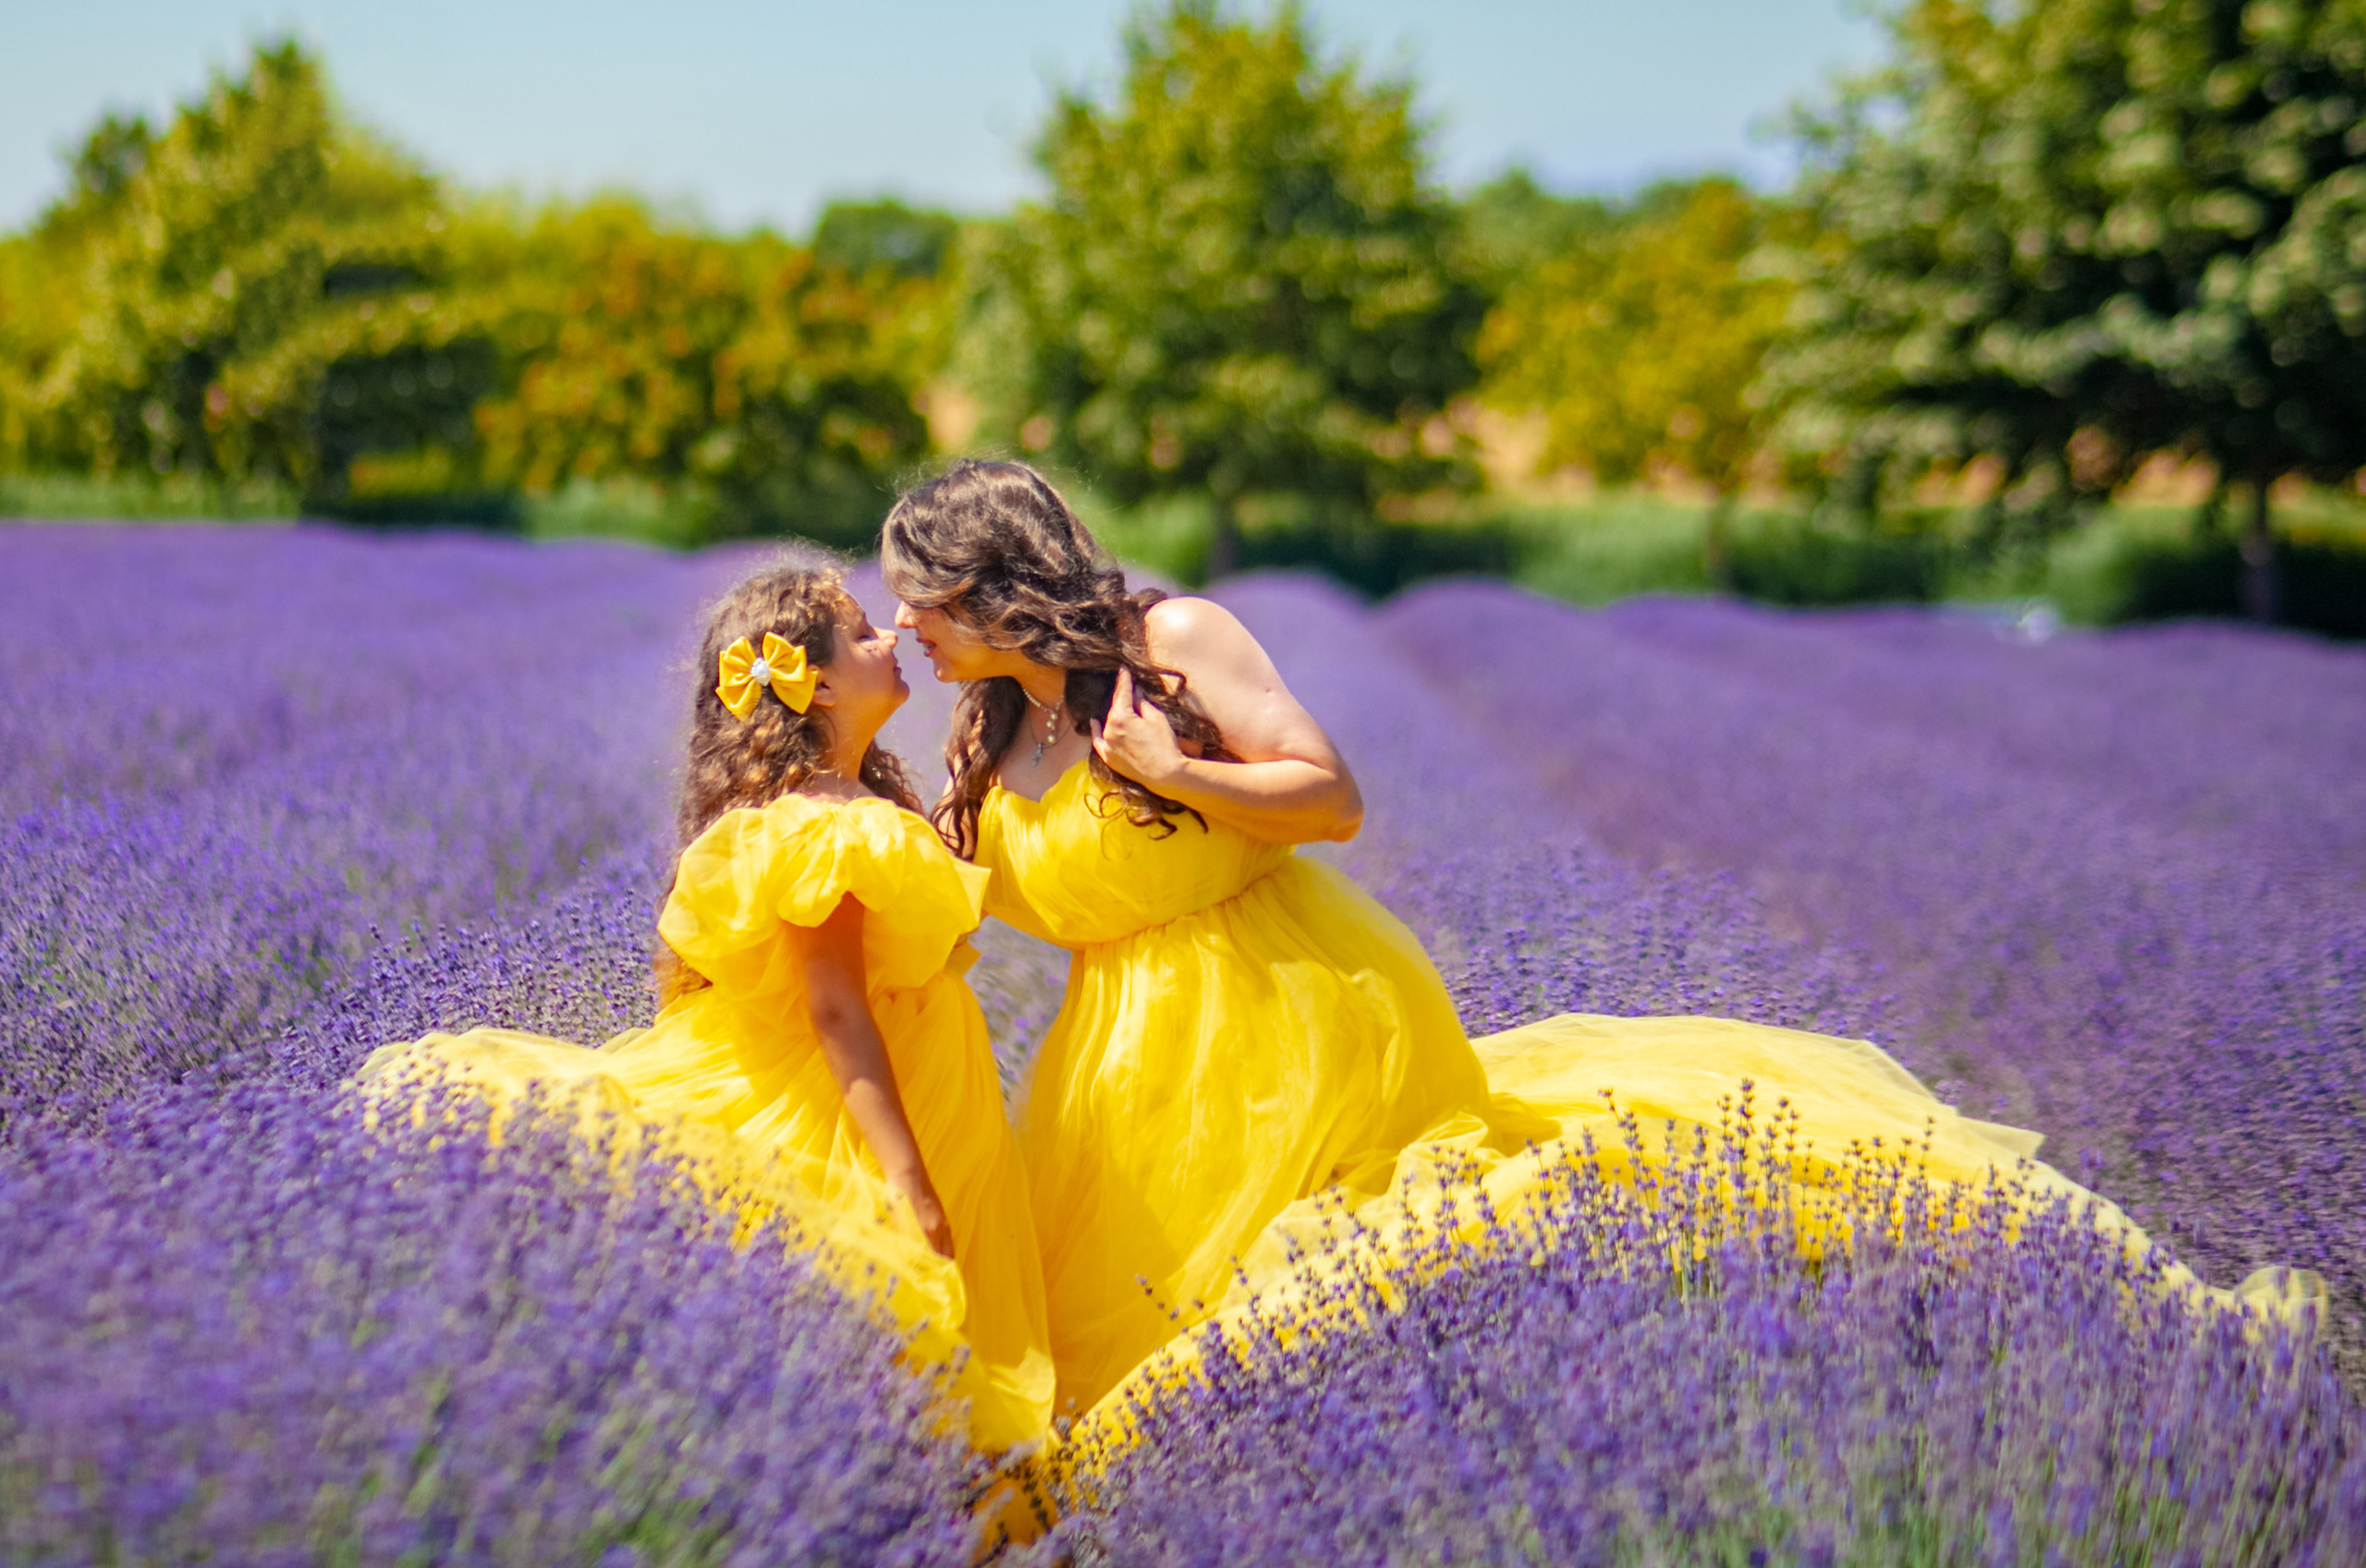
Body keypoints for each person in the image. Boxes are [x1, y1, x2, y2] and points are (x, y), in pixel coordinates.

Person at [882, 459, 2320, 1422]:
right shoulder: (993, 726)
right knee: (1144, 1361)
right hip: (1116, 1075)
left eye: (921, 594)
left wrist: (1183, 772)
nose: (910, 625)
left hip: (1291, 1015)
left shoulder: (1173, 638)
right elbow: (948, 893)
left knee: (1324, 1288)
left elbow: (1331, 798)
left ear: (993, 581)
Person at [359, 565, 1053, 1450]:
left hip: (904, 1082)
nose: (889, 639)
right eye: (864, 633)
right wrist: (910, 1180)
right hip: (851, 1105)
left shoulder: (836, 806)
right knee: (868, 1311)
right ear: (823, 684)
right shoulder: (826, 827)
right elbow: (837, 1009)